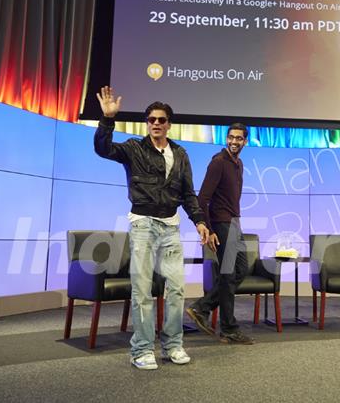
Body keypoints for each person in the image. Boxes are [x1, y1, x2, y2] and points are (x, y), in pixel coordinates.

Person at [94, 86, 209, 370]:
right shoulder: (134, 148)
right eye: (151, 120)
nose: (156, 123)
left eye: (161, 119)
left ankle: (173, 345)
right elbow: (103, 149)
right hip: (143, 224)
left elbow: (188, 193)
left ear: (169, 124)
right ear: (147, 123)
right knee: (142, 290)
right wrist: (108, 120)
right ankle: (142, 349)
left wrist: (200, 221)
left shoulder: (180, 153)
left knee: (177, 289)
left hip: (170, 226)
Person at [185, 123, 255, 345]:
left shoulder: (238, 164)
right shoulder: (218, 162)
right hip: (222, 224)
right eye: (231, 138)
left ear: (245, 141)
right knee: (227, 274)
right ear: (226, 139)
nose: (234, 142)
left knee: (239, 270)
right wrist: (210, 229)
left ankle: (202, 308)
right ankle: (228, 328)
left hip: (233, 223)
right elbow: (203, 198)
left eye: (239, 139)